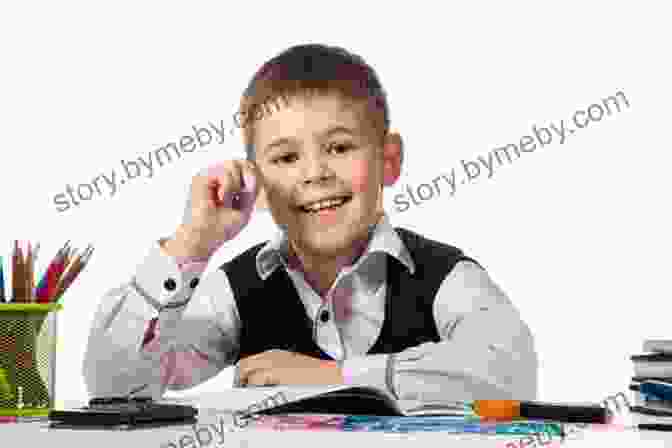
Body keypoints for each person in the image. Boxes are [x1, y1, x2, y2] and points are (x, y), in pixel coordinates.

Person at [82, 43, 538, 402]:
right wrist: (190, 244)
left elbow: (510, 372)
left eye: (339, 148)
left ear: (390, 160)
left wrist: (336, 378)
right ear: (256, 182)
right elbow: (117, 387)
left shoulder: (443, 276)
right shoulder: (238, 289)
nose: (315, 173)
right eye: (285, 157)